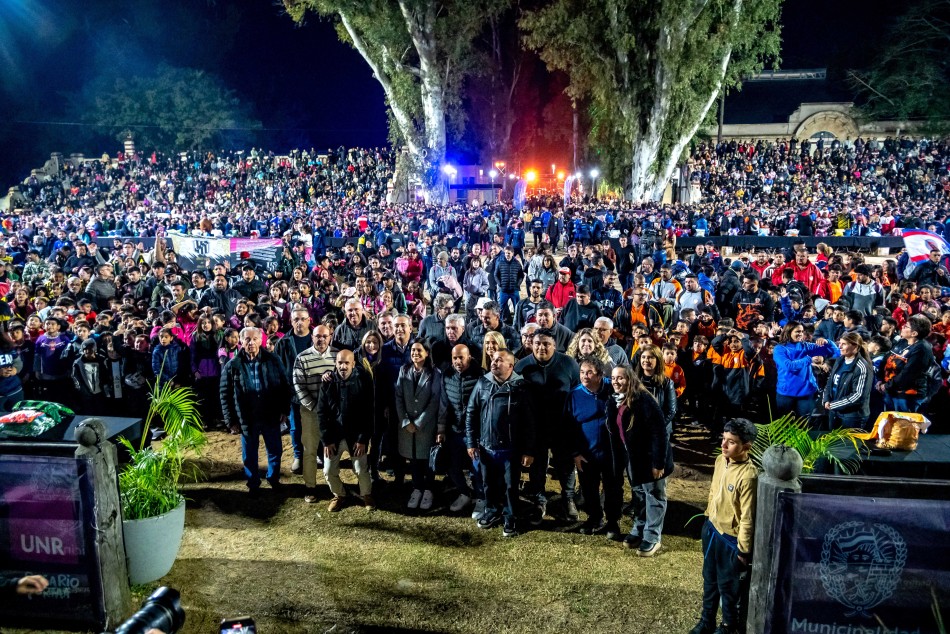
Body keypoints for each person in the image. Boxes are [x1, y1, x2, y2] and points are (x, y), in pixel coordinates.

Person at [690, 418, 758, 634]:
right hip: (712, 530)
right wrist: (708, 517)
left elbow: (747, 517)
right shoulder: (721, 460)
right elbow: (713, 491)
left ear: (746, 447)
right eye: (723, 439)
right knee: (709, 579)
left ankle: (728, 626)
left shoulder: (748, 476)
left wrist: (743, 550)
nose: (724, 445)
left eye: (731, 442)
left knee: (728, 587)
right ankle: (706, 620)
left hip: (730, 540)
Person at [465, 350, 536, 538]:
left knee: (510, 486)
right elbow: (471, 413)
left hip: (511, 449)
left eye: (499, 360)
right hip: (487, 446)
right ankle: (492, 510)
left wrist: (528, 450)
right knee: (488, 483)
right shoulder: (483, 383)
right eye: (493, 359)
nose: (494, 363)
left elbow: (530, 422)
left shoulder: (521, 387)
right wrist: (471, 442)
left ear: (511, 366)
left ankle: (511, 516)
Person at [515, 328, 580, 523]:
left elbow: (577, 392)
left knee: (565, 465)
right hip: (535, 428)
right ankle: (539, 499)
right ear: (531, 345)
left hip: (562, 425)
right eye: (537, 344)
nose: (541, 347)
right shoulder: (522, 367)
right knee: (537, 465)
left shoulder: (568, 364)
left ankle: (568, 498)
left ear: (554, 345)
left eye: (546, 344)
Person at [608, 365, 672, 555]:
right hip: (633, 460)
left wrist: (658, 463)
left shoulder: (643, 400)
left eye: (621, 378)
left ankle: (652, 536)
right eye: (613, 378)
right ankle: (640, 528)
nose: (616, 382)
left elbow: (659, 432)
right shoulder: (614, 401)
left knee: (654, 495)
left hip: (651, 459)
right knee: (639, 495)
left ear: (630, 379)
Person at [220, 327, 292, 495]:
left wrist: (284, 409)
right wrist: (231, 421)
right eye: (247, 339)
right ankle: (253, 482)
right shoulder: (233, 365)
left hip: (270, 413)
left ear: (261, 341)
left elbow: (284, 385)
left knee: (275, 450)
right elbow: (225, 394)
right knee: (249, 454)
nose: (251, 342)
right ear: (241, 341)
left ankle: (273, 478)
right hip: (247, 417)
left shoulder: (273, 360)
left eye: (254, 339)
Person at [566, 356, 621, 538]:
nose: (584, 376)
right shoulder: (574, 395)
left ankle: (613, 522)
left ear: (600, 375)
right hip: (586, 452)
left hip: (611, 453)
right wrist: (575, 453)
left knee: (612, 488)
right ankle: (594, 517)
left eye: (589, 372)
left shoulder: (612, 389)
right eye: (582, 372)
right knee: (589, 488)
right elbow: (569, 426)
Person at [318, 349, 376, 511]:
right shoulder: (328, 382)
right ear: (335, 364)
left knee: (361, 469)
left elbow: (368, 413)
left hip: (356, 437)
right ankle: (340, 495)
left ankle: (366, 495)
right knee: (328, 470)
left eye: (347, 363)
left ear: (353, 364)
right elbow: (321, 413)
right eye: (340, 363)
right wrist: (327, 440)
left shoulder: (363, 381)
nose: (343, 366)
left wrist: (363, 439)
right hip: (334, 437)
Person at [437, 343, 486, 516]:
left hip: (474, 432)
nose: (458, 361)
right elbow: (443, 404)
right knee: (453, 467)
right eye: (454, 358)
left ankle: (481, 498)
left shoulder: (480, 375)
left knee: (477, 468)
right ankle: (465, 493)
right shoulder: (446, 375)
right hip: (454, 430)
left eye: (461, 357)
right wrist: (441, 429)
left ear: (469, 357)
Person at [292, 325, 338, 503]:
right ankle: (310, 486)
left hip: (332, 414)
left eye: (324, 336)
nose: (321, 340)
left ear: (330, 337)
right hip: (310, 411)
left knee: (331, 449)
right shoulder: (302, 358)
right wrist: (314, 407)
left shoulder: (337, 355)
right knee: (310, 450)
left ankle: (334, 486)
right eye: (318, 336)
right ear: (312, 337)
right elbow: (298, 386)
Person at [395, 340, 442, 510]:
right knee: (414, 458)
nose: (415, 353)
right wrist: (405, 421)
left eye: (419, 350)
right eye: (413, 350)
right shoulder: (404, 370)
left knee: (426, 458)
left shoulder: (435, 373)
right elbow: (399, 396)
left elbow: (435, 400)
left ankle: (428, 489)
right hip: (407, 426)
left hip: (426, 425)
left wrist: (420, 421)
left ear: (427, 353)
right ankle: (417, 488)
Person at [274, 307, 314, 474]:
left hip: (314, 391)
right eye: (296, 319)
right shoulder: (283, 342)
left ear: (308, 320)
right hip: (293, 393)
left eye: (302, 319)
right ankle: (299, 455)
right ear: (291, 321)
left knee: (315, 425)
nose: (299, 322)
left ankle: (316, 453)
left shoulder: (317, 337)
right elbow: (278, 370)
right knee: (296, 426)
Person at [773, 322, 840, 418]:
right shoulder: (780, 349)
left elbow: (835, 352)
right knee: (784, 426)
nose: (800, 334)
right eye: (797, 331)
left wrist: (827, 341)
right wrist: (809, 359)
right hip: (786, 394)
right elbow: (789, 366)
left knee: (804, 425)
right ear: (788, 332)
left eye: (802, 331)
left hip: (806, 393)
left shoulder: (807, 346)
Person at [822, 332, 873, 429]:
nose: (840, 347)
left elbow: (858, 396)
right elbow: (830, 382)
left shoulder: (862, 367)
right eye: (839, 343)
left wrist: (833, 405)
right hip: (835, 411)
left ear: (855, 346)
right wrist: (826, 399)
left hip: (852, 416)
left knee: (847, 444)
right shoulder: (840, 360)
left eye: (844, 344)